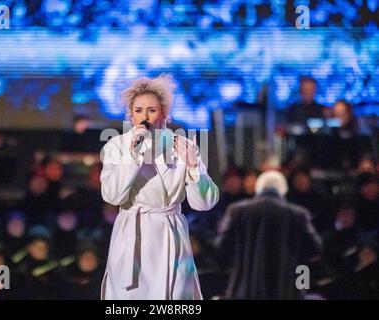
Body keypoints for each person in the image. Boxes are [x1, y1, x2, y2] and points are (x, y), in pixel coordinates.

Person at [99, 74, 219, 300]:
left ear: (164, 113)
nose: (145, 116)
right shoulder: (117, 146)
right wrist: (133, 157)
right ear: (130, 115)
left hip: (170, 233)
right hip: (133, 232)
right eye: (138, 110)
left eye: (152, 110)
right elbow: (112, 195)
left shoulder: (182, 145)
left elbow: (204, 203)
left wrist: (194, 167)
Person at [215, 170, 322, 299]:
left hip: (244, 291)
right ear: (284, 190)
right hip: (286, 291)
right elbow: (315, 249)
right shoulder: (298, 214)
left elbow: (221, 247)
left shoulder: (236, 211)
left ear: (258, 188)